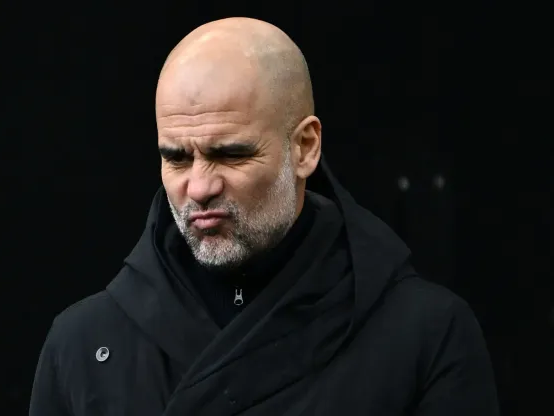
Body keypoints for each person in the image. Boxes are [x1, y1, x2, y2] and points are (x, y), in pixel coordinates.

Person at [29, 17, 498, 416]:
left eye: (230, 154)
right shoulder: (83, 343)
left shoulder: (425, 334)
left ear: (305, 148)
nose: (198, 187)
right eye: (176, 158)